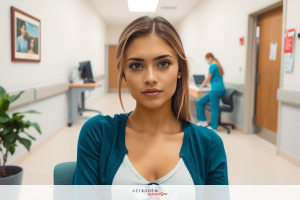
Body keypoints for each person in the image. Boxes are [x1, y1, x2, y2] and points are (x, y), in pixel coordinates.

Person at [72, 17, 228, 187]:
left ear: (180, 70)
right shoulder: (98, 135)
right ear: (123, 74)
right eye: (137, 66)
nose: (151, 78)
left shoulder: (209, 144)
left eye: (163, 63)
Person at [196, 53, 226, 131]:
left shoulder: (212, 65)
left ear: (210, 58)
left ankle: (213, 127)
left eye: (206, 59)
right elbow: (214, 79)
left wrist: (201, 86)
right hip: (219, 89)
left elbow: (208, 79)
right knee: (200, 102)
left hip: (216, 90)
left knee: (214, 108)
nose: (206, 61)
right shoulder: (217, 65)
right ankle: (203, 121)